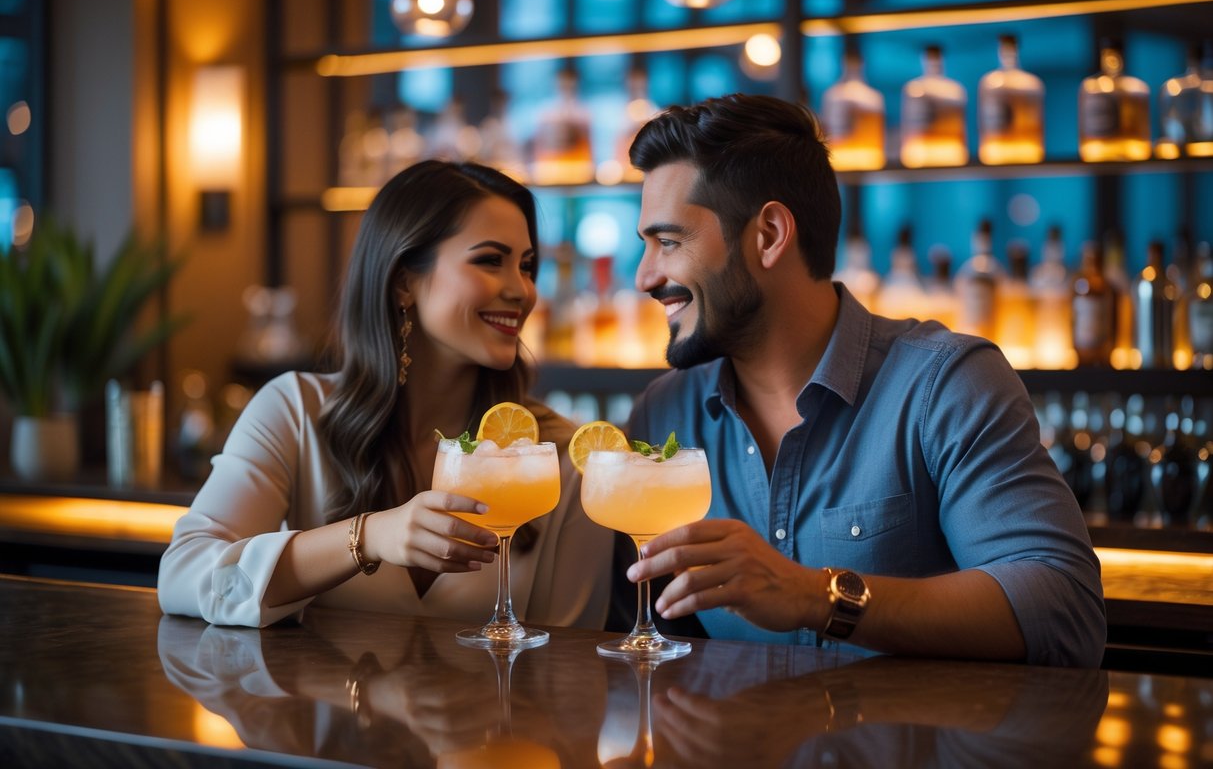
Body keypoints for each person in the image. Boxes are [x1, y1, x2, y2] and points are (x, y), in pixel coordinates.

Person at [620, 94, 1105, 668]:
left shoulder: (944, 385)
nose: (645, 276)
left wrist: (813, 595)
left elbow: (1064, 612)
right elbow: (641, 638)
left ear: (770, 234)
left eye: (669, 242)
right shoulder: (663, 416)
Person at [159, 160, 612, 629]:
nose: (523, 290)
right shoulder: (294, 411)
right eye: (490, 260)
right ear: (403, 282)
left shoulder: (561, 457)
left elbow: (569, 671)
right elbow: (183, 575)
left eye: (527, 266)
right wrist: (369, 536)